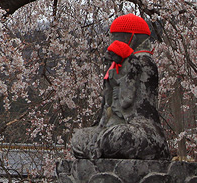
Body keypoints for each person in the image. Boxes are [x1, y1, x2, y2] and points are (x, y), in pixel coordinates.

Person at [71, 13, 170, 161]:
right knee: (79, 138)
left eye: (116, 38)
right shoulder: (114, 67)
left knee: (117, 138)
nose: (112, 43)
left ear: (132, 38)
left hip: (141, 128)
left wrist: (123, 78)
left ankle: (105, 143)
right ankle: (102, 143)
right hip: (112, 125)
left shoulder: (144, 62)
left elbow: (127, 101)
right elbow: (107, 108)